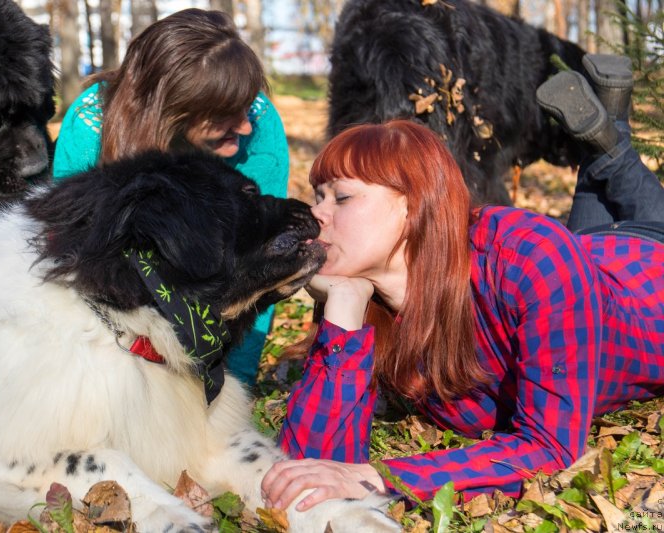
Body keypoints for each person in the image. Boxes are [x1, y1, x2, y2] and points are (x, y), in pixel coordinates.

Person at [260, 54, 664, 511]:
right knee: (595, 190)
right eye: (317, 196)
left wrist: (380, 478)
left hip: (648, 274)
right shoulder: (372, 304)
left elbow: (549, 449)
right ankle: (606, 134)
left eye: (343, 197)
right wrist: (343, 314)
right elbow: (307, 467)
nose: (316, 215)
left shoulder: (530, 260)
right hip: (587, 254)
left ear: (412, 207)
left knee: (626, 187)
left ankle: (612, 144)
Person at [52, 9, 290, 386]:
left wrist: (233, 382)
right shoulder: (88, 127)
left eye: (244, 106)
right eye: (226, 115)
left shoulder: (259, 123)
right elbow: (70, 264)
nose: (245, 125)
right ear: (170, 110)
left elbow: (260, 263)